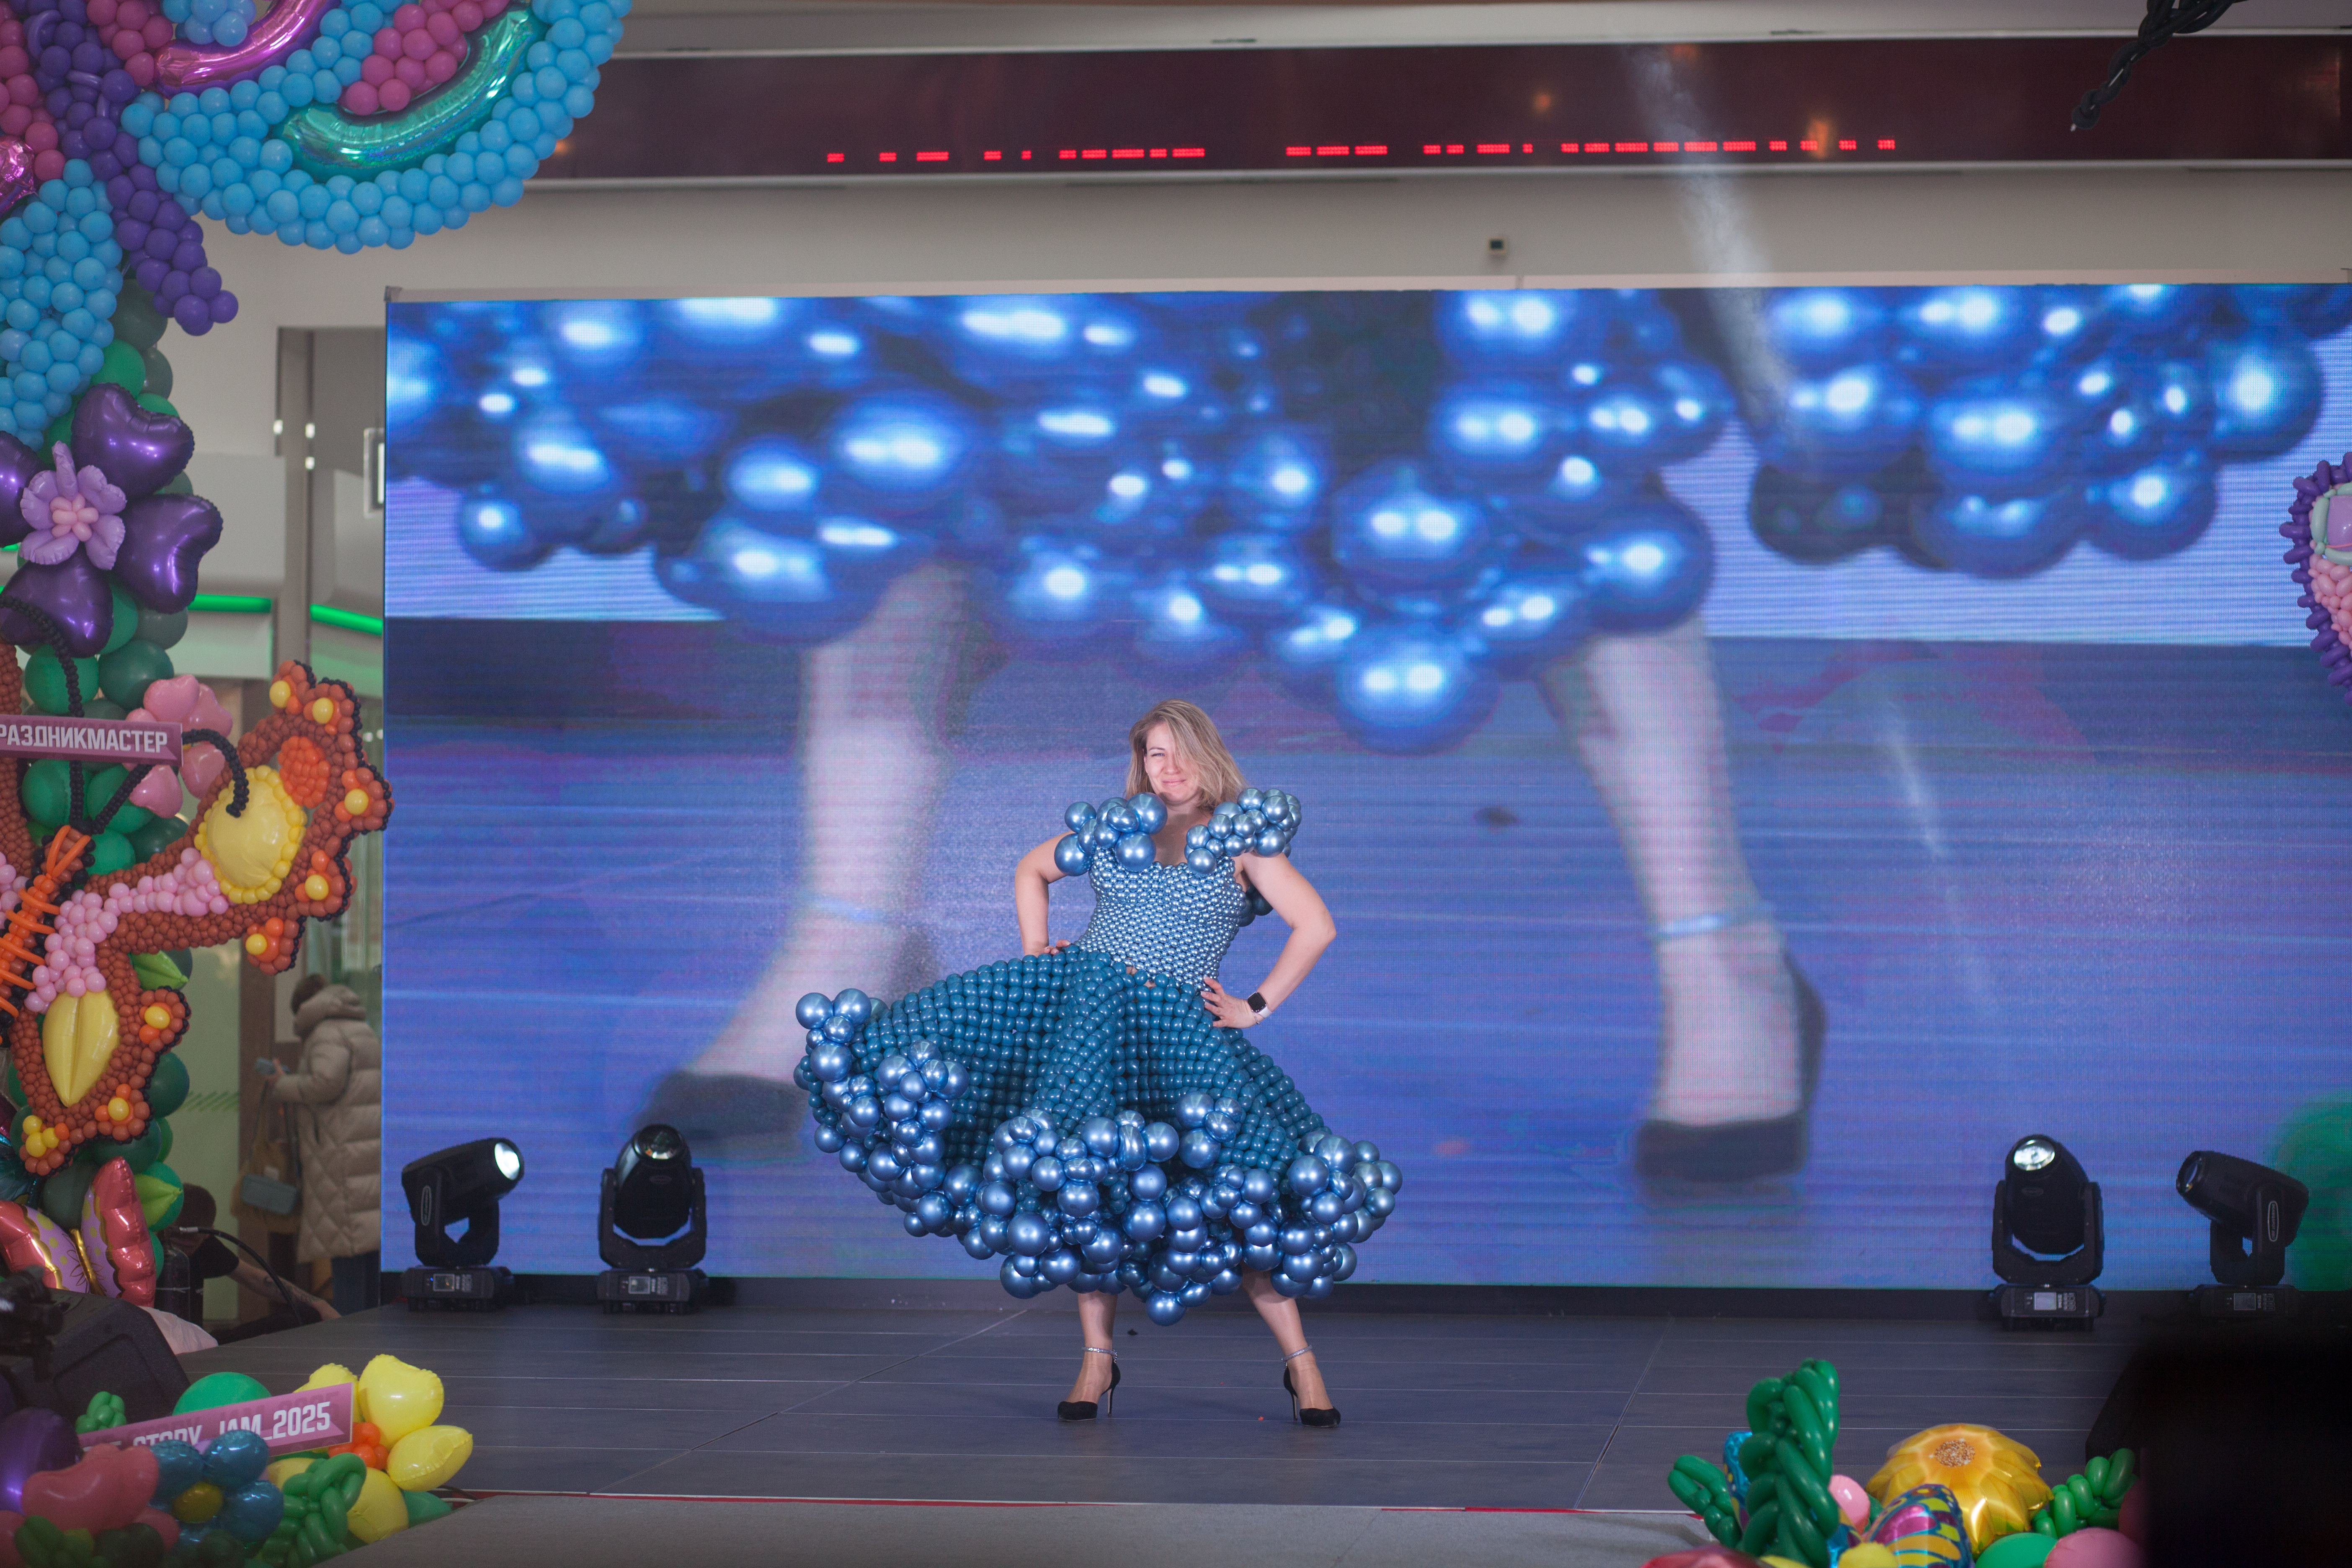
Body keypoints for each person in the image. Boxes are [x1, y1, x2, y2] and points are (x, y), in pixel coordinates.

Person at [805, 698, 1370, 1426]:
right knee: (1082, 1177)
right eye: (1155, 754)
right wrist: (1037, 950)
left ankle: (1302, 1365)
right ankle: (1097, 1361)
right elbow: (1032, 869)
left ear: (1208, 754)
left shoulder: (1242, 838)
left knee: (1245, 1183)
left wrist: (1253, 1006)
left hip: (1176, 1033)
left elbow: (1315, 925)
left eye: (1180, 751)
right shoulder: (1118, 826)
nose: (1169, 767)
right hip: (1090, 1016)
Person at [256, 974, 383, 1315]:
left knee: (347, 1247)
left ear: (305, 1008)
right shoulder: (360, 1028)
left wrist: (283, 1083)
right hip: (362, 1151)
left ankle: (351, 1332)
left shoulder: (327, 1033)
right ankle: (370, 1327)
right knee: (366, 1249)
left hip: (339, 1154)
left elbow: (326, 1083)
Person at [161, 1184, 338, 1341]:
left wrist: (318, 1304)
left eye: (190, 1244)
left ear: (209, 1233)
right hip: (161, 1341)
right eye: (177, 1241)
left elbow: (253, 1277)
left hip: (199, 1341)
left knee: (303, 1316)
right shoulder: (155, 1246)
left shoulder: (208, 1248)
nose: (182, 1249)